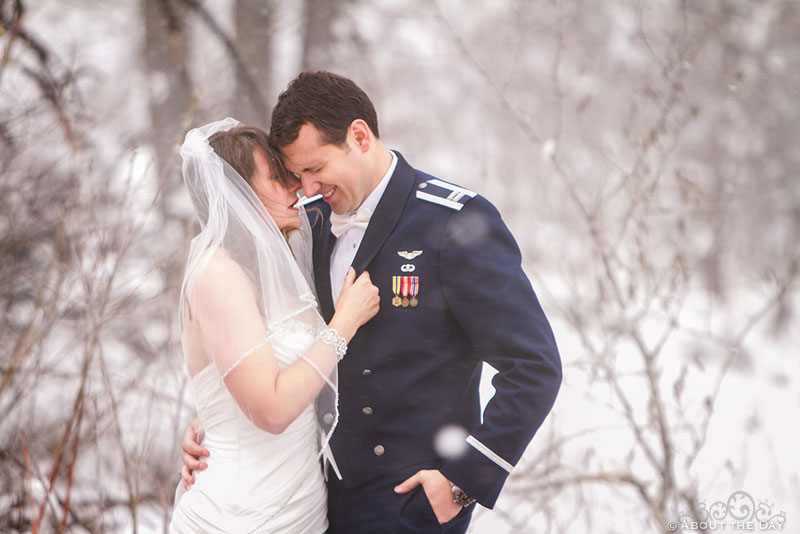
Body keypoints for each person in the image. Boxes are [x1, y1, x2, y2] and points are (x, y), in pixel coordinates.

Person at [182, 72, 562, 533]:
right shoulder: (307, 227)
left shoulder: (452, 224)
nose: (306, 188)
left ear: (359, 137)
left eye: (315, 168)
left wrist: (463, 481)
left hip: (408, 505)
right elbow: (265, 344)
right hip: (317, 501)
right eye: (296, 174)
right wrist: (217, 419)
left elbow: (534, 366)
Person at [170, 118, 379, 534]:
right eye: (278, 178)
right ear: (240, 193)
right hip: (241, 517)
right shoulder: (218, 273)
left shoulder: (274, 269)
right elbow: (271, 410)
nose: (296, 188)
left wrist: (210, 417)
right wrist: (344, 324)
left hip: (301, 511)